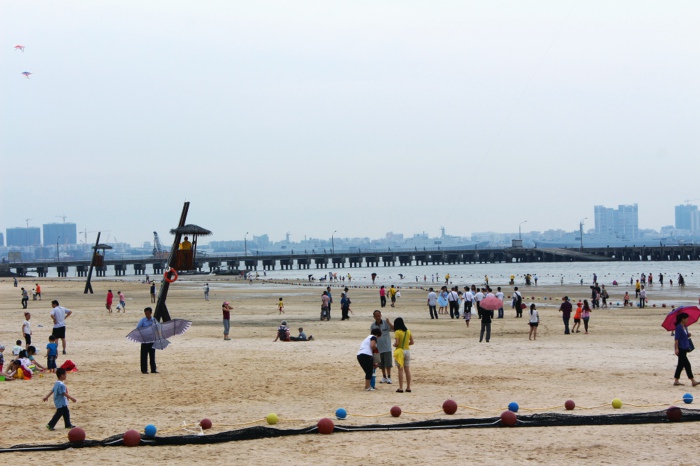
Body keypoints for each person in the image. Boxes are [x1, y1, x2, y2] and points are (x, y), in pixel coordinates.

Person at [673, 312, 699, 386]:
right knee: (687, 364)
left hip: (685, 347)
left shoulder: (685, 327)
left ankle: (676, 380)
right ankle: (692, 381)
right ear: (682, 319)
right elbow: (676, 339)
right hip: (680, 348)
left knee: (680, 365)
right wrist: (676, 349)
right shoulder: (678, 327)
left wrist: (688, 334)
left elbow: (684, 336)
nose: (687, 319)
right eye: (686, 318)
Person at [371, 310, 394, 384]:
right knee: (381, 364)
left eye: (379, 315)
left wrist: (389, 323)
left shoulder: (385, 323)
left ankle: (389, 377)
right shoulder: (373, 326)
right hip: (378, 348)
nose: (378, 317)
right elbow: (372, 336)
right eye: (376, 316)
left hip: (387, 347)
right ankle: (384, 376)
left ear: (381, 315)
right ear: (374, 317)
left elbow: (394, 329)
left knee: (388, 364)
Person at [393, 317, 414, 393]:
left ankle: (401, 387)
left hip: (400, 351)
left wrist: (394, 345)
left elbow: (397, 343)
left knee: (400, 370)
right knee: (407, 370)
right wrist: (405, 344)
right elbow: (412, 342)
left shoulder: (397, 332)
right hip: (407, 351)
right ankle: (408, 387)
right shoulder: (408, 331)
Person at [136, 307, 158, 374]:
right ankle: (144, 370)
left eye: (148, 313)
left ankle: (153, 369)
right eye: (145, 313)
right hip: (145, 340)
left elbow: (157, 329)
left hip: (152, 340)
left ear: (151, 313)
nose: (146, 314)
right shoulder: (142, 320)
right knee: (143, 356)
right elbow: (138, 328)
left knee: (152, 355)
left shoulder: (154, 320)